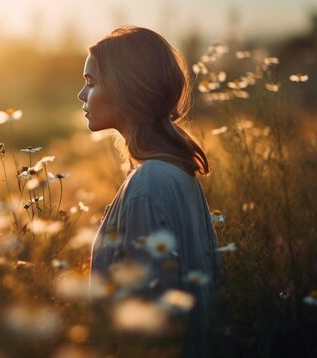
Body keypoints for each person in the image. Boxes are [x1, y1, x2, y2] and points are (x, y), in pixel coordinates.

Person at [77, 26, 224, 357]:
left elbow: (149, 315)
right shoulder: (175, 172)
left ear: (125, 89)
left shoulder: (150, 183)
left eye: (90, 82)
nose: (81, 96)